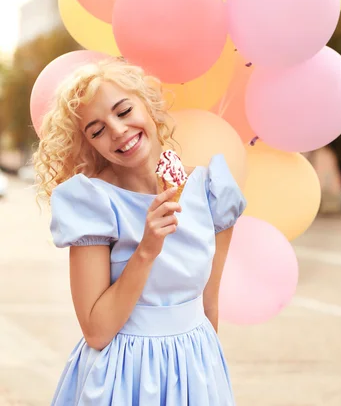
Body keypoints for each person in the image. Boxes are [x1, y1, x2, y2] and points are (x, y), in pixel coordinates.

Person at [33, 57, 246, 406]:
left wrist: (207, 378)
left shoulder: (211, 191)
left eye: (123, 110)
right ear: (89, 145)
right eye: (97, 130)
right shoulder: (94, 202)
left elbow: (209, 305)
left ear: (148, 104)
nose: (117, 130)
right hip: (120, 376)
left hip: (194, 367)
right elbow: (97, 331)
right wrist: (147, 249)